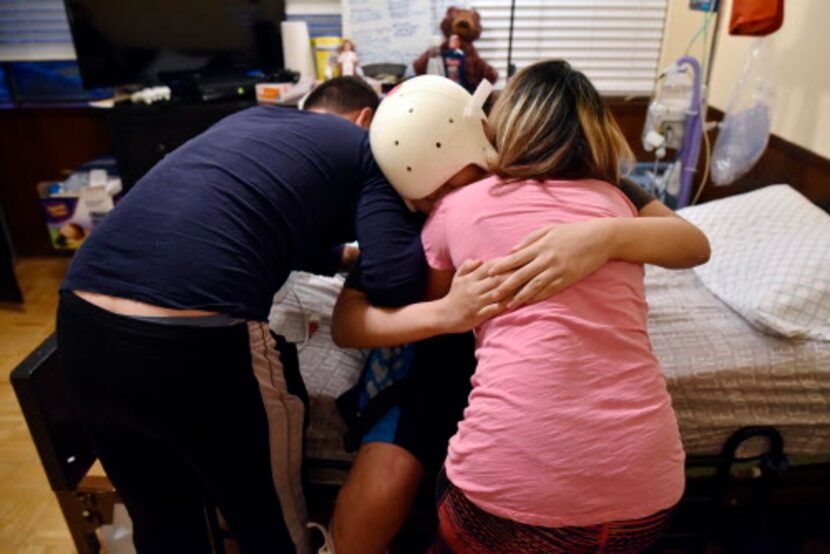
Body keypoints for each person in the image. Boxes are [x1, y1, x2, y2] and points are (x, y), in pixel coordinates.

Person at [55, 76, 496, 554]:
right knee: (267, 526)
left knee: (162, 519)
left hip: (81, 321)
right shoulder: (371, 154)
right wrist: (417, 222)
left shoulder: (253, 120)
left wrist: (341, 258)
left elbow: (262, 221)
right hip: (192, 341)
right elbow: (394, 281)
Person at [329, 73, 710, 553]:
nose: (436, 198)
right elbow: (364, 312)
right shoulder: (612, 198)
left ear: (495, 136)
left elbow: (694, 244)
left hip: (501, 502)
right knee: (410, 422)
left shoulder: (599, 196)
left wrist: (603, 236)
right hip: (647, 500)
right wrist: (447, 313)